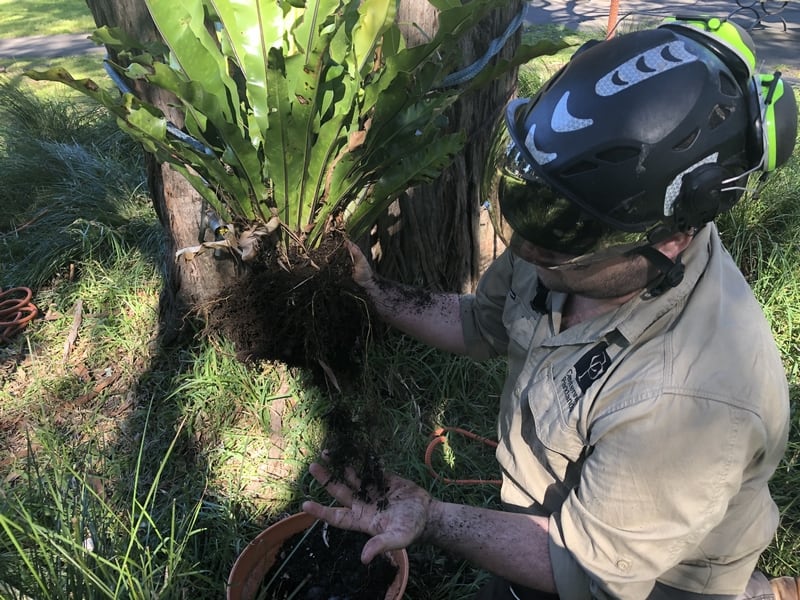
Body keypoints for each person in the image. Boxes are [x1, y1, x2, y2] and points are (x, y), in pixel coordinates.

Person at [302, 16, 799, 600]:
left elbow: (588, 573)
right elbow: (479, 323)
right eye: (529, 210)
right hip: (577, 525)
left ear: (669, 239)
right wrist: (373, 293)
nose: (526, 247)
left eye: (560, 237)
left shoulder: (687, 395)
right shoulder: (567, 229)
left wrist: (432, 516)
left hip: (646, 576)